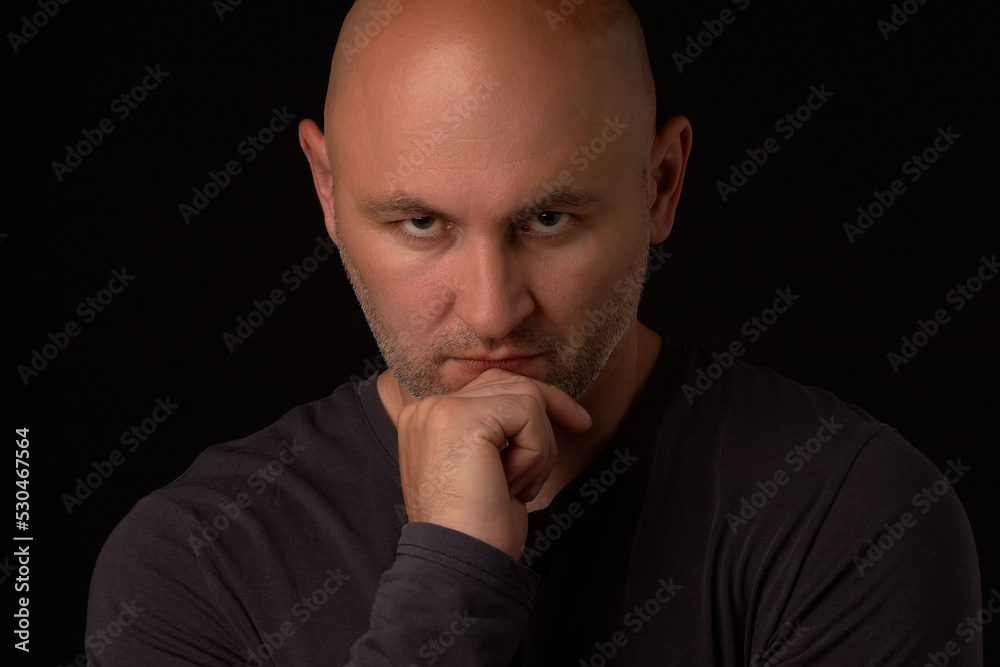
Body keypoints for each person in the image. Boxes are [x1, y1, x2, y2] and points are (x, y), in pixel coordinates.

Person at [85, 0, 982, 664]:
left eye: (549, 219)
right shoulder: (195, 561)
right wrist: (454, 569)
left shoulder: (848, 514)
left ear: (662, 184)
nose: (491, 310)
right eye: (420, 224)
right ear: (326, 190)